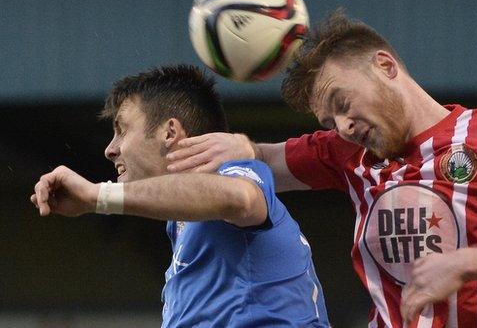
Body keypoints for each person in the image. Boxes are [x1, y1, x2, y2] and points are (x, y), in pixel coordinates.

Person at [166, 11, 477, 328]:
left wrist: (467, 263)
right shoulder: (346, 154)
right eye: (329, 122)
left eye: (342, 104)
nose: (344, 126)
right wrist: (242, 146)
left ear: (385, 66)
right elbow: (263, 161)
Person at [30, 65, 330, 328]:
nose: (110, 149)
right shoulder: (181, 224)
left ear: (170, 132)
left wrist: (99, 195)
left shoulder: (233, 172)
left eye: (122, 130)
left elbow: (241, 199)